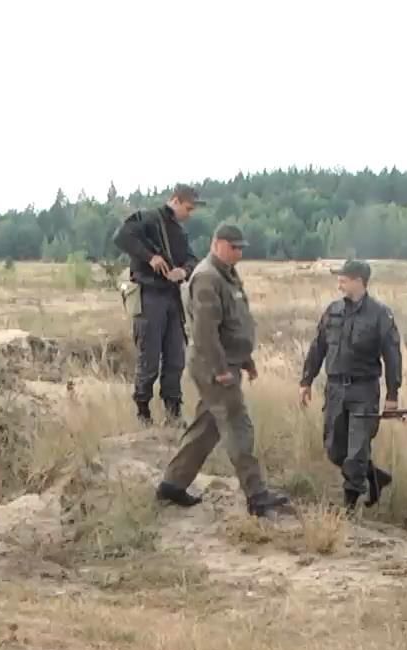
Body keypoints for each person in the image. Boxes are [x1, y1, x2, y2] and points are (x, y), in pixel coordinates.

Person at [156, 225, 293, 519]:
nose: (239, 253)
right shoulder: (207, 277)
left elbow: (233, 323)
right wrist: (220, 369)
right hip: (213, 366)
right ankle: (257, 495)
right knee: (237, 425)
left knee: (206, 428)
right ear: (217, 244)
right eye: (234, 247)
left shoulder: (226, 274)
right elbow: (205, 331)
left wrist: (245, 359)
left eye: (241, 248)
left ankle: (172, 484)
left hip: (227, 362)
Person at [299, 259, 404, 510]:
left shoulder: (380, 314)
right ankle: (375, 476)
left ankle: (347, 507)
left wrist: (392, 393)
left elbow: (392, 354)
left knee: (357, 451)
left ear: (359, 281)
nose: (339, 283)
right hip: (335, 389)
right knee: (335, 450)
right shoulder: (332, 311)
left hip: (364, 390)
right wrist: (306, 380)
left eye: (344, 279)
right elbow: (318, 347)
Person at [113, 184, 203, 424]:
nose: (189, 214)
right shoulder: (148, 219)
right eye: (188, 208)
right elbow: (122, 236)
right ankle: (143, 411)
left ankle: (173, 412)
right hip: (148, 294)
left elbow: (193, 260)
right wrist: (149, 257)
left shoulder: (179, 232)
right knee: (149, 359)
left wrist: (183, 272)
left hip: (172, 298)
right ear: (175, 200)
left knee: (175, 358)